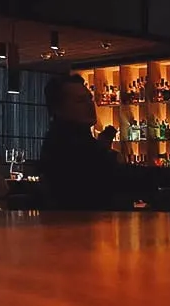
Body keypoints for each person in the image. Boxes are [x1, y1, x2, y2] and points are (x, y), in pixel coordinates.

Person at [40, 75, 118, 210]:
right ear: (59, 109)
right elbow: (111, 178)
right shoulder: (65, 143)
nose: (90, 104)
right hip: (75, 225)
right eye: (80, 100)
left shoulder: (75, 138)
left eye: (90, 98)